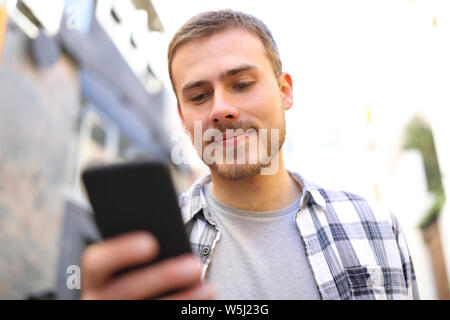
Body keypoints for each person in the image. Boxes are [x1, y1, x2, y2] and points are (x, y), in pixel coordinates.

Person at [81, 9, 419, 300]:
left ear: (284, 91)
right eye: (199, 96)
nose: (220, 109)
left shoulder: (375, 226)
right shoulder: (148, 247)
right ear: (183, 119)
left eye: (242, 84)